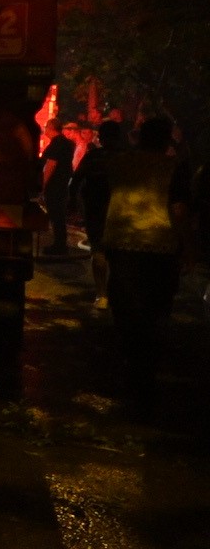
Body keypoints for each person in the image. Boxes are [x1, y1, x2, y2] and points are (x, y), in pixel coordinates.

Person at [101, 115, 195, 413]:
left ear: (140, 137)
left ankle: (131, 366)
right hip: (160, 248)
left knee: (127, 308)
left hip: (122, 243)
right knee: (155, 310)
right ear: (167, 139)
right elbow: (179, 210)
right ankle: (146, 372)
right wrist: (187, 247)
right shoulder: (175, 169)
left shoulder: (118, 163)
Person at [70, 120, 123, 308]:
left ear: (101, 137)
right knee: (119, 254)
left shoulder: (93, 157)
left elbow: (76, 180)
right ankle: (117, 293)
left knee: (98, 251)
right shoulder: (129, 158)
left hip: (97, 211)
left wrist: (72, 204)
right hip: (123, 213)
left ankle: (102, 295)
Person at [40, 117, 76, 255]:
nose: (45, 130)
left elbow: (51, 165)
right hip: (62, 183)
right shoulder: (66, 143)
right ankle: (60, 243)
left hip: (55, 185)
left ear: (51, 128)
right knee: (58, 214)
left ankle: (59, 245)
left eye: (46, 127)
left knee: (56, 214)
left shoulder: (56, 144)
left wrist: (43, 185)